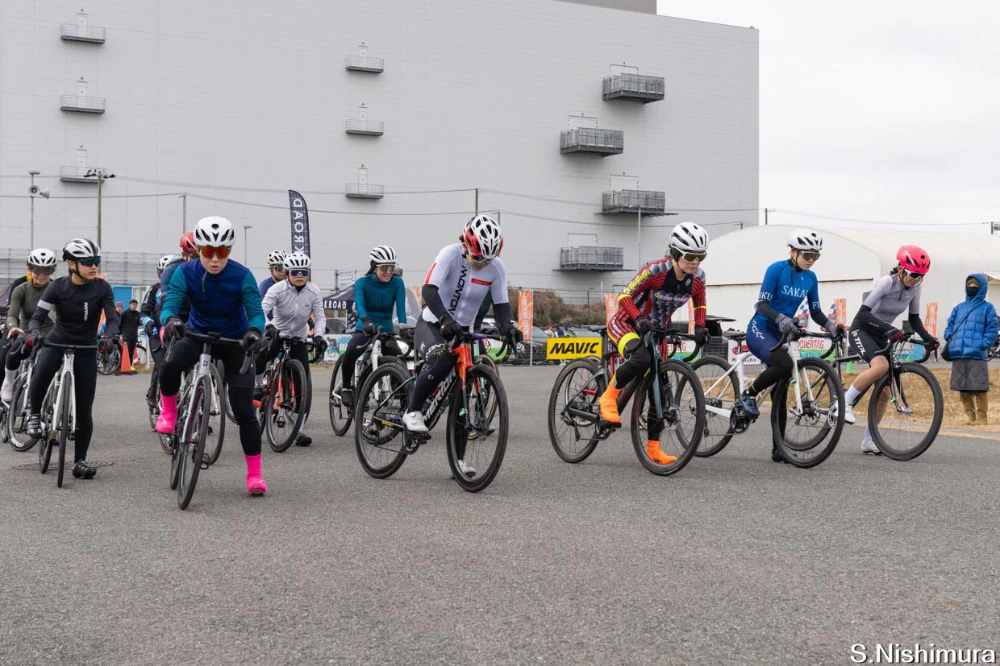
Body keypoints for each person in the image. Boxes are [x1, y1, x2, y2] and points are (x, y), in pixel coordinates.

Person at [156, 216, 268, 495]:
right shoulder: (185, 272)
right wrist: (171, 320)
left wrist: (254, 331)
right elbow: (170, 305)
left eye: (222, 252)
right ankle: (169, 411)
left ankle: (255, 475)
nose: (215, 259)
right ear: (199, 250)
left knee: (245, 412)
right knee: (170, 364)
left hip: (234, 340)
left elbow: (256, 311)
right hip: (197, 335)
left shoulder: (242, 275)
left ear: (229, 250)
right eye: (208, 252)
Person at [403, 216, 522, 475]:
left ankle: (458, 461)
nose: (482, 264)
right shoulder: (450, 254)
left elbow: (501, 304)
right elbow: (429, 290)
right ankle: (412, 411)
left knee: (462, 397)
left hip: (463, 332)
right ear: (466, 244)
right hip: (434, 323)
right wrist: (445, 319)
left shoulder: (496, 268)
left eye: (488, 259)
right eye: (478, 257)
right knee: (442, 359)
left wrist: (508, 328)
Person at [597, 221, 711, 465]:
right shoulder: (655, 271)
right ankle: (608, 398)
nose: (695, 262)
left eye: (700, 256)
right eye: (690, 256)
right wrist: (638, 317)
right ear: (675, 253)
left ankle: (653, 449)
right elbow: (625, 295)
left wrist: (700, 326)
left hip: (655, 333)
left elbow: (700, 303)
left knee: (660, 388)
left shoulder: (698, 278)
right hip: (627, 323)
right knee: (641, 359)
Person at [740, 229, 845, 462]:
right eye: (807, 255)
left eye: (815, 256)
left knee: (781, 390)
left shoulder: (811, 278)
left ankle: (779, 449)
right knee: (785, 365)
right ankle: (748, 394)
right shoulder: (776, 269)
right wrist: (780, 318)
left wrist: (831, 326)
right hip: (762, 328)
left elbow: (816, 312)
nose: (811, 260)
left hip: (783, 332)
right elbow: (761, 305)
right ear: (793, 251)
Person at [26, 238, 118, 480]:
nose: (94, 266)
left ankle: (80, 461)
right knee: (43, 371)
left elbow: (112, 318)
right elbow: (37, 317)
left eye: (96, 261)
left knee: (85, 407)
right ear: (71, 264)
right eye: (88, 262)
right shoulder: (57, 287)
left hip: (86, 346)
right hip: (58, 340)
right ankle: (35, 415)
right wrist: (35, 332)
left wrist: (109, 336)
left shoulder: (102, 288)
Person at [844, 245, 938, 453]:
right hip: (862, 329)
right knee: (880, 366)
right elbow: (863, 314)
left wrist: (928, 338)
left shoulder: (915, 288)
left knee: (884, 393)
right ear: (901, 269)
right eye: (914, 274)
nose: (917, 279)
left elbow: (914, 319)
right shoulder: (887, 282)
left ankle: (869, 440)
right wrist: (888, 328)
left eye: (921, 276)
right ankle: (845, 401)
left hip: (883, 335)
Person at [256, 251, 327, 446]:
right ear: (287, 273)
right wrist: (268, 326)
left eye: (304, 272)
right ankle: (258, 384)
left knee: (302, 385)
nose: (300, 276)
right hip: (278, 333)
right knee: (261, 354)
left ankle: (299, 431)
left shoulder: (314, 291)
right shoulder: (277, 289)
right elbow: (261, 310)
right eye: (295, 272)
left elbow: (320, 316)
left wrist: (319, 335)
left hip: (298, 338)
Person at [337, 245, 406, 407]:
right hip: (366, 328)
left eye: (392, 267)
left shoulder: (397, 282)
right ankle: (346, 387)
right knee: (351, 350)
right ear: (374, 267)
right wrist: (366, 320)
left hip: (387, 331)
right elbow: (360, 305)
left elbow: (401, 309)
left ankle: (406, 402)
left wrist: (404, 328)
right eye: (385, 268)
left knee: (401, 362)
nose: (389, 272)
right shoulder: (362, 282)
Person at [1, 248, 57, 403]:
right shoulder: (21, 289)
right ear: (30, 268)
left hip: (50, 331)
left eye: (47, 270)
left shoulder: (56, 289)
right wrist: (13, 326)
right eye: (37, 270)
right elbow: (12, 314)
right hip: (26, 330)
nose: (42, 274)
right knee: (12, 351)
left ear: (52, 271)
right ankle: (8, 381)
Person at [944, 274, 998, 426]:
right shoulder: (959, 308)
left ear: (982, 288)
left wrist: (983, 343)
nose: (972, 288)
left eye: (975, 286)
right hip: (958, 353)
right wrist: (949, 337)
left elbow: (993, 328)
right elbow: (950, 325)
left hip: (977, 354)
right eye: (969, 285)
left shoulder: (987, 308)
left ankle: (982, 417)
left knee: (979, 386)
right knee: (962, 387)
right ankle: (970, 416)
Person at [141, 255, 175, 406]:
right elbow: (143, 313)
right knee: (162, 365)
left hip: (177, 334)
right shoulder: (154, 289)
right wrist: (149, 325)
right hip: (157, 335)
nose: (166, 276)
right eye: (163, 273)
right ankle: (153, 394)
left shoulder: (183, 288)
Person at [118, 299, 141, 374]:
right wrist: (120, 333)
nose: (134, 306)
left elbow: (140, 323)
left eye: (135, 305)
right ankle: (122, 367)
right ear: (129, 305)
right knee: (126, 352)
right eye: (133, 304)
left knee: (131, 351)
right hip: (126, 335)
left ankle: (130, 366)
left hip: (134, 335)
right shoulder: (124, 313)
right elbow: (120, 324)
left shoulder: (137, 314)